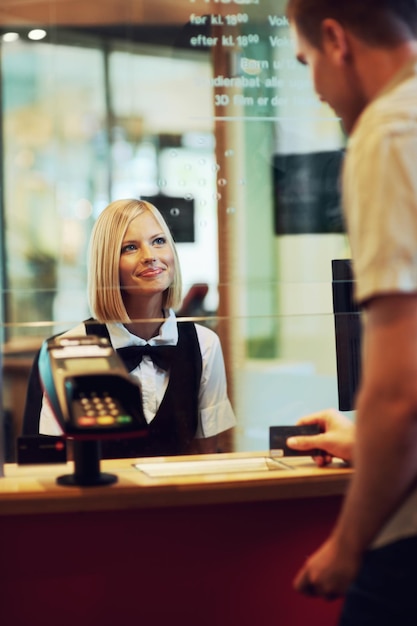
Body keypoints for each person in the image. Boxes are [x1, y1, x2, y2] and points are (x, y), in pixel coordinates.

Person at [285, 1, 417, 624]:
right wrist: (364, 442)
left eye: (306, 61)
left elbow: (401, 389)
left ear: (336, 40)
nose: (314, 88)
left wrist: (346, 546)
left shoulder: (388, 133)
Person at [36, 198, 236, 456]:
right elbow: (60, 459)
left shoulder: (205, 343)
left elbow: (208, 452)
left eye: (159, 241)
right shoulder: (71, 348)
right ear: (108, 264)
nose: (150, 256)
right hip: (102, 495)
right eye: (130, 247)